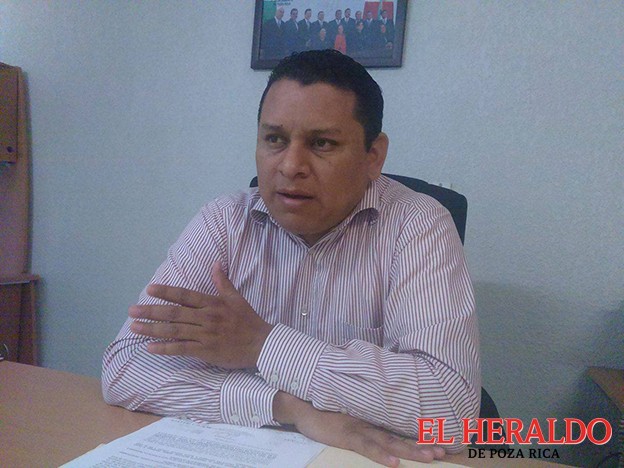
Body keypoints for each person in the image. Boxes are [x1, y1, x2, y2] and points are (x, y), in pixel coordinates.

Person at [102, 50, 480, 467]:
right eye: (275, 140)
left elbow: (452, 413)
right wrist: (288, 408)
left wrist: (262, 344)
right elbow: (126, 368)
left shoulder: (418, 224)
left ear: (373, 156)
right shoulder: (223, 222)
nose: (291, 166)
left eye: (322, 143)